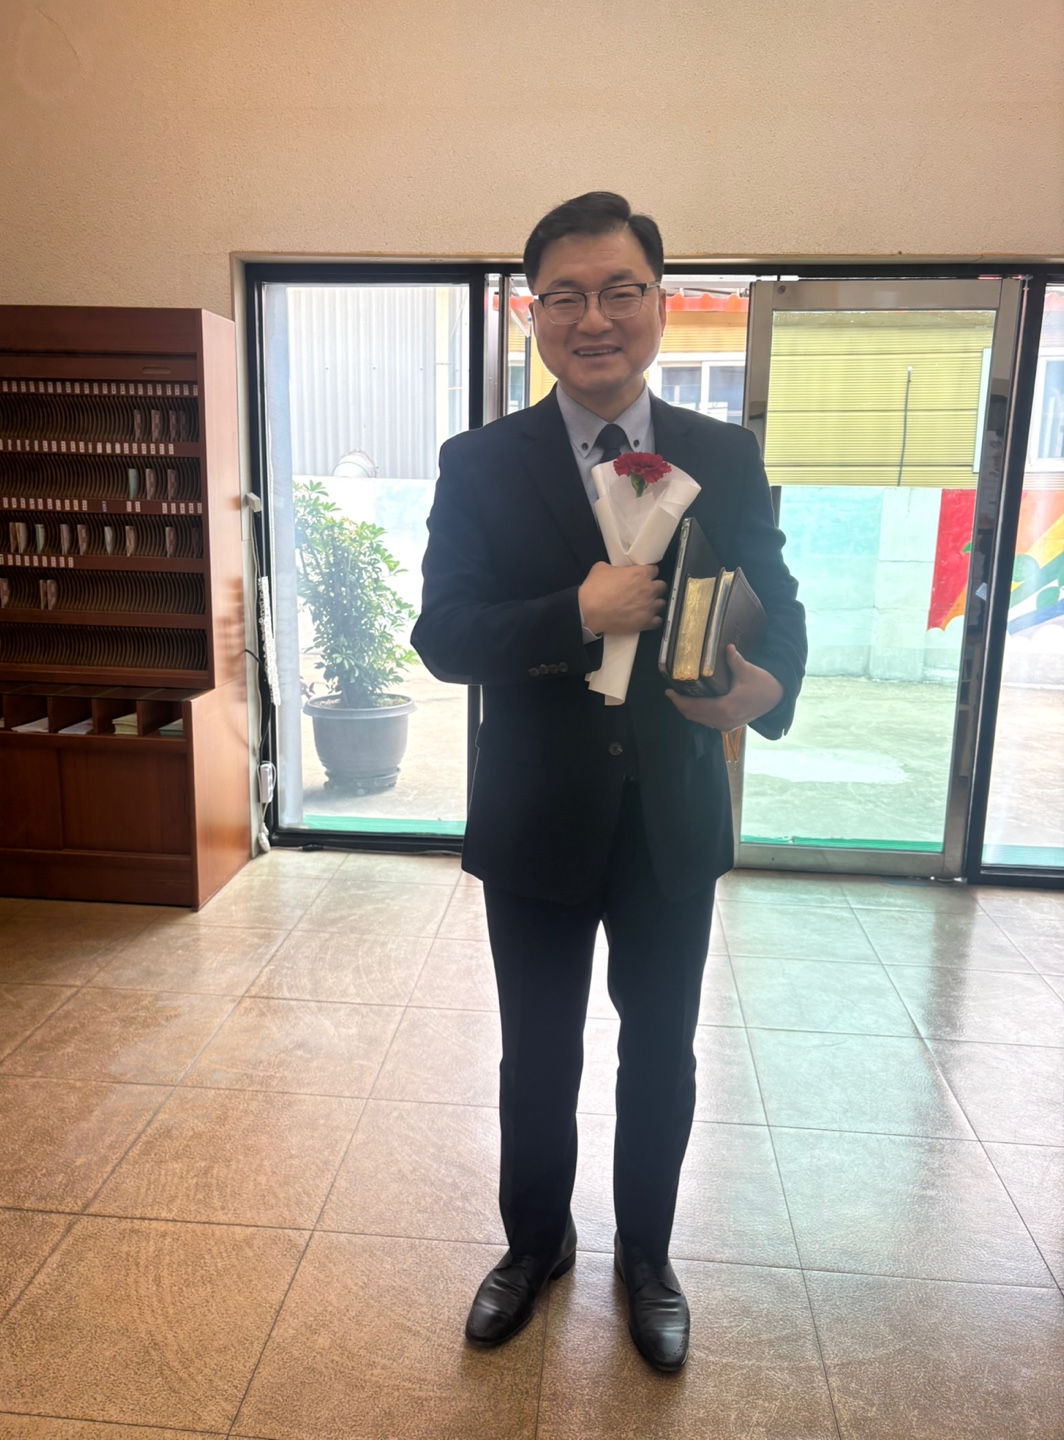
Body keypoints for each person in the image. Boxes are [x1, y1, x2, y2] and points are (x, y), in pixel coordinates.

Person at [411, 192, 806, 1372]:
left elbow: (780, 611)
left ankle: (649, 1258)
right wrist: (575, 612)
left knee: (663, 1054)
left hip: (671, 818)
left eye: (620, 291)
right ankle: (535, 1245)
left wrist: (762, 690)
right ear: (532, 314)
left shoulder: (723, 454)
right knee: (537, 1056)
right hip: (536, 815)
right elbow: (443, 636)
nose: (595, 318)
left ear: (659, 304)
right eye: (567, 295)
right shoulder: (480, 464)